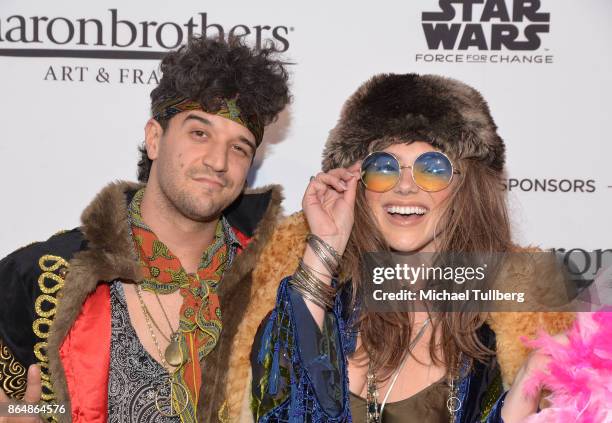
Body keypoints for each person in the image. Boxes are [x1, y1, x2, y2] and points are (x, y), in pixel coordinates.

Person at [219, 73, 574, 422]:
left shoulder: (506, 337)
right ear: (357, 186)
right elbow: (283, 410)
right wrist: (324, 248)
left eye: (433, 167)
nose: (404, 187)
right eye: (383, 167)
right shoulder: (315, 313)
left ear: (466, 189)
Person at [0, 36, 290, 423]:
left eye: (239, 148)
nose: (218, 161)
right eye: (199, 133)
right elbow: (13, 405)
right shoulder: (41, 275)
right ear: (155, 138)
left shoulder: (275, 283)